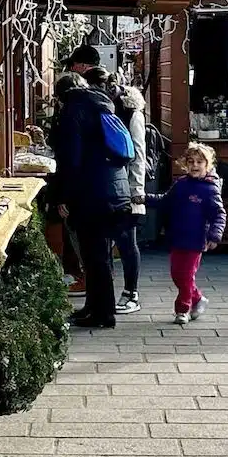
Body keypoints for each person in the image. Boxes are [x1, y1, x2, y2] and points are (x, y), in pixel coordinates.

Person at [49, 71, 132, 329]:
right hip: (114, 187)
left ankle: (103, 314)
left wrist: (63, 196)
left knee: (94, 256)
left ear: (61, 96)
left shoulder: (74, 111)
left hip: (91, 191)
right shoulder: (103, 104)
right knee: (100, 255)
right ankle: (94, 308)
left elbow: (71, 159)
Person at [87, 66, 147, 314]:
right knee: (107, 242)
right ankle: (108, 293)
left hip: (128, 188)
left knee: (126, 241)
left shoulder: (131, 113)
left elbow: (138, 154)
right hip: (106, 186)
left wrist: (137, 190)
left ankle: (131, 292)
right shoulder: (100, 109)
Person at [149, 142, 227, 326]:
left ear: (207, 165)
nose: (195, 165)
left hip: (196, 239)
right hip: (177, 237)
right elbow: (165, 200)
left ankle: (183, 309)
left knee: (186, 276)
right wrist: (143, 198)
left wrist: (215, 235)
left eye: (200, 162)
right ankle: (198, 298)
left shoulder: (210, 189)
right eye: (191, 161)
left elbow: (218, 214)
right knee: (177, 274)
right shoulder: (181, 184)